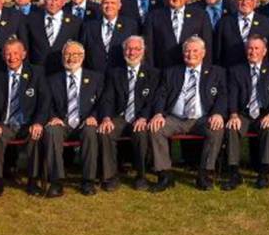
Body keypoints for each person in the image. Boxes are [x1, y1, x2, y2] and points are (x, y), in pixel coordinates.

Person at [148, 36, 226, 192]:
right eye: (187, 51)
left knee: (216, 129)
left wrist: (218, 113)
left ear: (203, 53)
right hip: (175, 118)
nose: (191, 54)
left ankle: (204, 174)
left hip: (202, 119)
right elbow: (161, 95)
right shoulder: (171, 72)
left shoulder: (216, 72)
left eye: (195, 50)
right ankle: (165, 175)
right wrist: (157, 114)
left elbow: (223, 95)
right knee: (155, 128)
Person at [0, 37, 50, 197]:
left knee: (36, 135)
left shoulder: (36, 73)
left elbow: (44, 101)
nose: (12, 57)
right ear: (3, 56)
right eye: (7, 54)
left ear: (24, 54)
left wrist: (38, 123)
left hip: (28, 123)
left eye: (15, 53)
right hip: (5, 124)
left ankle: (32, 181)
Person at [223, 34, 269, 190]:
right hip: (243, 114)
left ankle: (263, 173)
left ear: (264, 51)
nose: (253, 51)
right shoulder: (236, 70)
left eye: (257, 48)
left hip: (264, 114)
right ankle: (234, 173)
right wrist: (234, 114)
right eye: (250, 48)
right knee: (232, 128)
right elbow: (232, 95)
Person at [97, 35, 158, 191]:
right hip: (120, 117)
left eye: (137, 49)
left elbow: (152, 101)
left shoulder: (153, 73)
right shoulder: (114, 73)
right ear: (124, 51)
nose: (132, 52)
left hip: (140, 118)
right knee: (105, 132)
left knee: (141, 133)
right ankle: (110, 176)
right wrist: (106, 118)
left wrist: (144, 118)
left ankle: (141, 176)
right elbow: (107, 98)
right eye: (129, 49)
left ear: (143, 52)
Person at [43, 41, 103, 197]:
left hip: (85, 123)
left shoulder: (95, 78)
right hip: (62, 123)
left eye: (75, 54)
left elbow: (103, 102)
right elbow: (45, 103)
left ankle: (88, 181)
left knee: (91, 132)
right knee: (51, 130)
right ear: (62, 57)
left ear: (82, 57)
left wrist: (94, 117)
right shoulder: (52, 79)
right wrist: (53, 117)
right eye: (67, 54)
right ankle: (57, 182)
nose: (71, 58)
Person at [143, 0, 212, 69]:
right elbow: (148, 47)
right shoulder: (154, 16)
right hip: (163, 69)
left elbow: (207, 46)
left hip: (191, 70)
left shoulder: (200, 15)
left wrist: (206, 71)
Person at [21, 0, 82, 75]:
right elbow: (25, 47)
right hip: (36, 73)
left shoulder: (75, 22)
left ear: (63, 2)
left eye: (57, 0)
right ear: (45, 0)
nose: (53, 3)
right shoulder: (31, 20)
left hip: (62, 73)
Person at [215, 0, 269, 68]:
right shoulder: (224, 24)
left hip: (259, 77)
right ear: (235, 2)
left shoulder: (267, 23)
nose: (244, 2)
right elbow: (218, 56)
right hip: (230, 75)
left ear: (255, 1)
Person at [80, 0, 138, 73]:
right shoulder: (89, 27)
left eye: (113, 3)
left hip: (120, 75)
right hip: (95, 76)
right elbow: (82, 52)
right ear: (101, 6)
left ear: (119, 6)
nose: (109, 6)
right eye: (106, 3)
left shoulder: (130, 26)